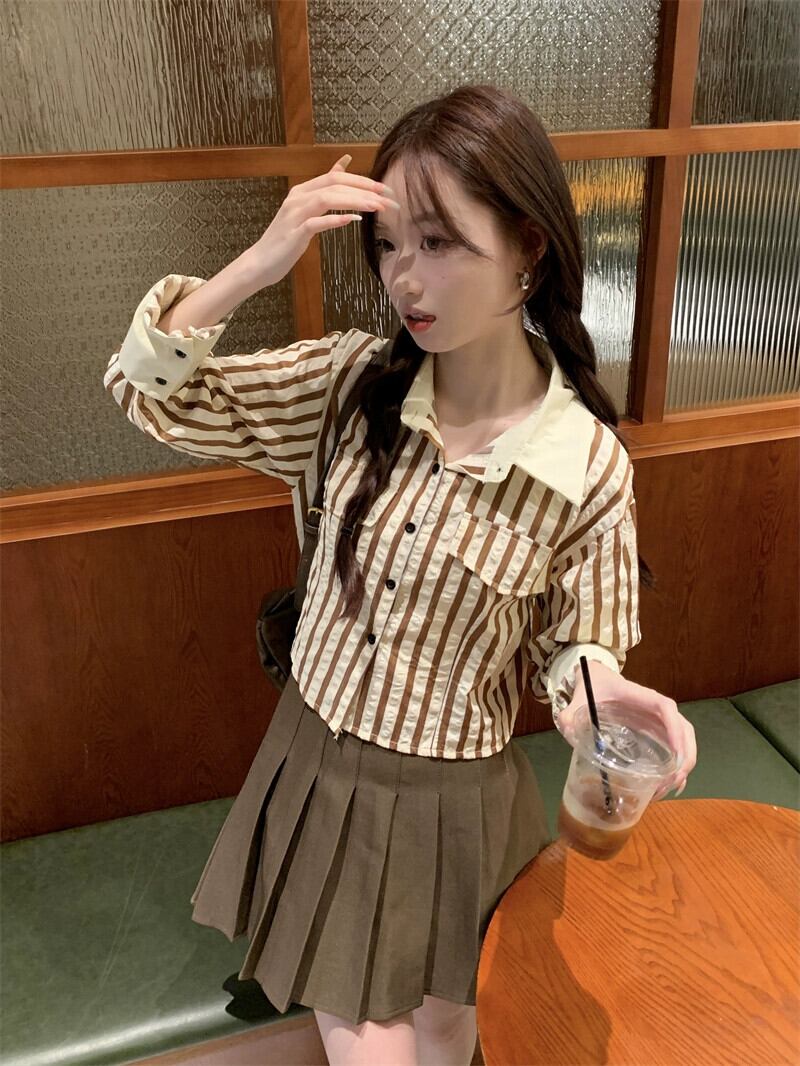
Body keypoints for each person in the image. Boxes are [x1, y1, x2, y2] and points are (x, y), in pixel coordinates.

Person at [105, 84, 697, 1066]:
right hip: (322, 769)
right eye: (387, 245)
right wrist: (258, 262)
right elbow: (147, 393)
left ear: (528, 248)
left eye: (438, 242)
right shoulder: (347, 387)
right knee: (368, 1041)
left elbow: (574, 645)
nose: (403, 279)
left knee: (447, 1020)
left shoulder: (584, 465)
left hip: (458, 802)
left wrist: (602, 693)